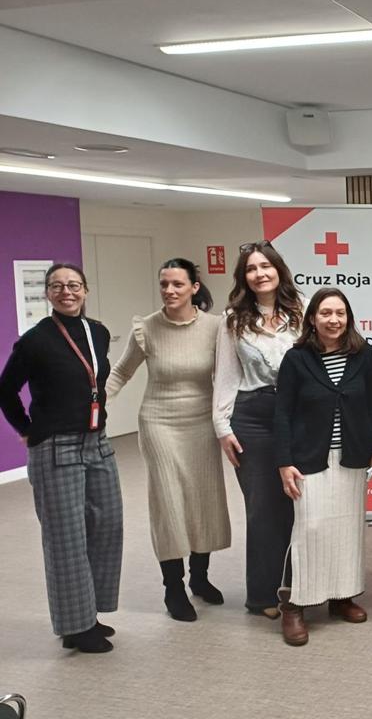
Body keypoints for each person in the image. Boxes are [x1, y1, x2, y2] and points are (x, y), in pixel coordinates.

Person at [0, 263, 121, 653]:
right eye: (57, 286)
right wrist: (26, 430)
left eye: (73, 285)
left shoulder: (97, 332)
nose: (66, 291)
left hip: (97, 441)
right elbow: (5, 390)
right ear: (47, 294)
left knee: (108, 526)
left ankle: (89, 612)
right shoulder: (35, 340)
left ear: (85, 290)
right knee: (66, 539)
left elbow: (95, 382)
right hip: (56, 447)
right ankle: (76, 627)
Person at [106, 258, 230, 622]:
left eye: (177, 284)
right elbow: (121, 371)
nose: (169, 291)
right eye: (164, 284)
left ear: (194, 287)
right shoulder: (146, 328)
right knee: (169, 504)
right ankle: (172, 587)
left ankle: (201, 578)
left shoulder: (216, 327)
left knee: (203, 500)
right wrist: (95, 403)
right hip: (158, 423)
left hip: (202, 424)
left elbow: (227, 376)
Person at [273, 288, 372, 646]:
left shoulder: (363, 355)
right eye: (326, 313)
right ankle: (295, 604)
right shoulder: (296, 359)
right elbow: (283, 414)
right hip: (309, 458)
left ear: (348, 318)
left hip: (352, 455)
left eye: (340, 313)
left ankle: (341, 596)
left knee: (346, 529)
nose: (334, 320)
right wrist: (284, 461)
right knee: (311, 528)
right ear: (312, 318)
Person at [213, 241, 303, 619]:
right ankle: (264, 596)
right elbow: (225, 375)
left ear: (278, 270)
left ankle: (301, 587)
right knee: (264, 508)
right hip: (253, 416)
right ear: (244, 278)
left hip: (298, 415)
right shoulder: (232, 320)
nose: (260, 273)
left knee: (300, 506)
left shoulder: (300, 314)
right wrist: (221, 426)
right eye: (251, 269)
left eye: (266, 266)